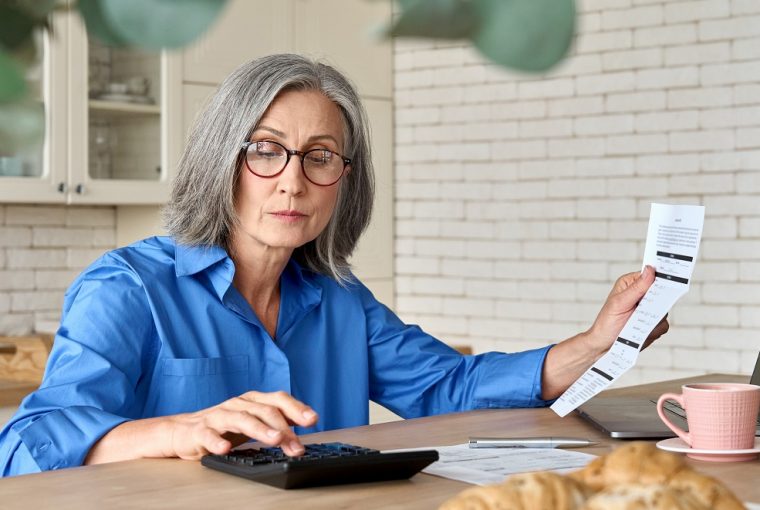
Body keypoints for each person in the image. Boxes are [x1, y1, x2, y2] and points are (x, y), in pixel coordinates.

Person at [0, 54, 667, 476]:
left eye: (320, 156)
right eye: (265, 150)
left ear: (344, 180)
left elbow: (451, 389)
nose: (291, 181)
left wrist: (596, 343)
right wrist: (182, 430)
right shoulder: (128, 289)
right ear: (220, 165)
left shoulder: (340, 299)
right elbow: (24, 446)